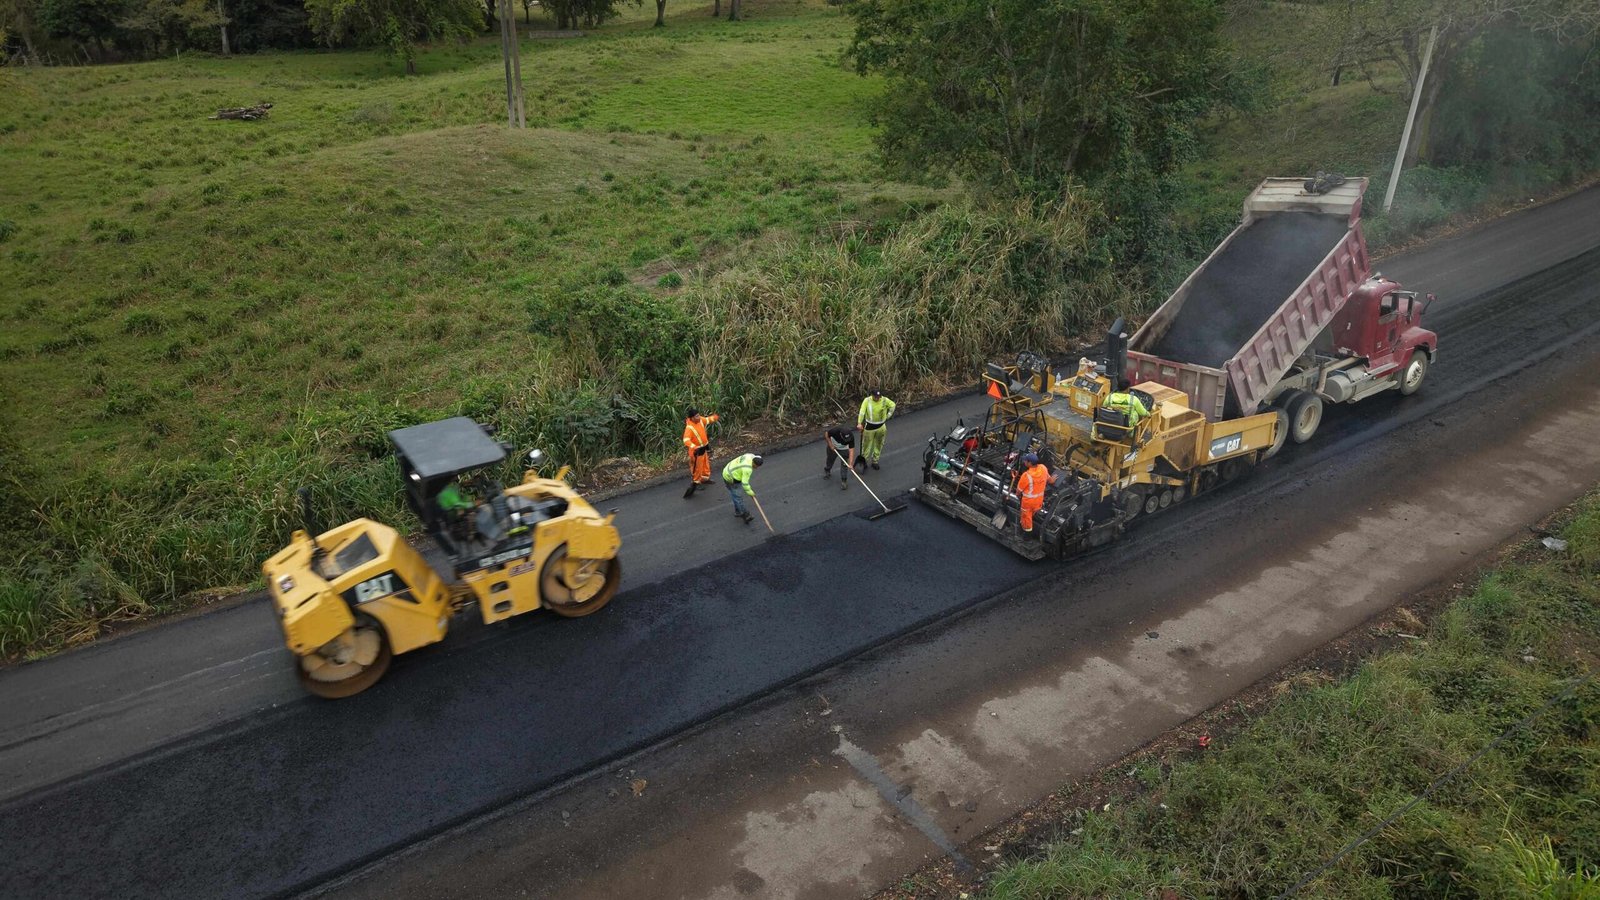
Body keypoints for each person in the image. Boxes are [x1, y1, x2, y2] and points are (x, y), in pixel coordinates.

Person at [682, 407, 721, 498]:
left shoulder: (700, 420)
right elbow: (686, 440)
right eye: (696, 416)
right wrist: (694, 447)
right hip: (696, 451)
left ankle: (705, 478)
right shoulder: (689, 428)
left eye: (699, 415)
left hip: (703, 448)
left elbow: (708, 419)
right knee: (697, 468)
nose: (699, 417)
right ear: (691, 418)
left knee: (705, 464)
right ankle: (696, 482)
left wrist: (715, 417)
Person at [856, 389, 897, 470]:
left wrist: (888, 416)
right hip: (869, 427)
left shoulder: (885, 400)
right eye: (876, 397)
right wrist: (859, 423)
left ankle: (875, 461)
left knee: (879, 444)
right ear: (872, 395)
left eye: (879, 396)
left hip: (881, 427)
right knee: (866, 446)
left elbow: (893, 405)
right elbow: (862, 412)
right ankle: (864, 461)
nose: (877, 398)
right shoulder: (867, 401)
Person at [1016, 452, 1051, 537]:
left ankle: (1027, 535)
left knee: (1026, 518)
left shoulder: (1026, 475)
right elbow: (1050, 480)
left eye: (1025, 461)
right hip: (1039, 501)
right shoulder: (1043, 468)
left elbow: (1018, 491)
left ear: (1030, 463)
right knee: (1032, 514)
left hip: (1028, 502)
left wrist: (1018, 496)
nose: (1024, 462)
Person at [722, 453, 763, 524]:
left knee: (734, 495)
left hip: (726, 471)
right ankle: (745, 515)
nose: (756, 468)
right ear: (753, 462)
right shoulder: (747, 469)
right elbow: (745, 483)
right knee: (738, 498)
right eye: (755, 466)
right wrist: (750, 493)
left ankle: (738, 511)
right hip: (731, 478)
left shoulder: (750, 455)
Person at [822, 425, 856, 490]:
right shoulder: (835, 431)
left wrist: (851, 464)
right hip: (833, 447)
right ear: (841, 435)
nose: (847, 440)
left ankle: (844, 481)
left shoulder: (851, 436)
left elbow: (851, 449)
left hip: (844, 449)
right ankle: (827, 470)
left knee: (845, 464)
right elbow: (826, 434)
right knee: (830, 459)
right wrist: (830, 444)